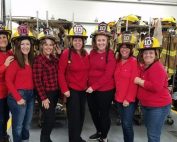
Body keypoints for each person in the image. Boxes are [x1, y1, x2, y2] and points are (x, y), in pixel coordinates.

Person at [134, 36, 172, 142]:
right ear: (142, 54)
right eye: (145, 53)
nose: (148, 55)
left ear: (156, 54)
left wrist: (140, 81)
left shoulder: (157, 67)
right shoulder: (145, 66)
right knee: (151, 132)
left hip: (158, 107)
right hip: (147, 106)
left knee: (153, 135)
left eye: (151, 52)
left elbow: (156, 87)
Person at [58, 24, 89, 142]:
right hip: (72, 91)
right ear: (71, 41)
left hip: (83, 91)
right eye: (75, 40)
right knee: (74, 119)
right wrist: (64, 89)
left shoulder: (86, 54)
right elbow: (60, 73)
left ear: (83, 41)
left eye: (80, 40)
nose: (77, 42)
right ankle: (73, 139)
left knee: (81, 117)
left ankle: (77, 137)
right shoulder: (67, 53)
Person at [86, 22, 116, 142]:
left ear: (107, 41)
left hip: (105, 90)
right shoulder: (92, 53)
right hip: (90, 89)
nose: (101, 43)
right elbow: (87, 69)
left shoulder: (110, 54)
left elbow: (108, 75)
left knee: (103, 114)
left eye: (103, 40)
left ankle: (104, 137)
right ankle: (98, 131)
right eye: (99, 40)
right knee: (93, 112)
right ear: (95, 41)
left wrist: (93, 87)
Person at [5, 24, 36, 142]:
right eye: (22, 44)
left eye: (27, 44)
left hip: (30, 96)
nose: (25, 46)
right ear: (18, 45)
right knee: (18, 126)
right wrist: (18, 98)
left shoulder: (32, 60)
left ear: (31, 46)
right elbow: (8, 80)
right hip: (17, 96)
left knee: (27, 125)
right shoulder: (15, 61)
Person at [33, 28, 59, 142]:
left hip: (54, 93)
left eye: (51, 45)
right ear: (41, 46)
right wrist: (43, 98)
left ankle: (47, 138)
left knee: (51, 118)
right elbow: (37, 81)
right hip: (45, 94)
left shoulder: (53, 58)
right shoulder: (38, 60)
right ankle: (44, 139)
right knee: (50, 119)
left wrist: (61, 53)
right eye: (46, 45)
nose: (48, 47)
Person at [114, 32, 139, 142]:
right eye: (122, 47)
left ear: (131, 49)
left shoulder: (134, 62)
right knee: (124, 124)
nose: (124, 50)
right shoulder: (118, 61)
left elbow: (134, 83)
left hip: (129, 100)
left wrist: (128, 99)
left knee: (127, 124)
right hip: (119, 98)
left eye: (127, 47)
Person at [0, 21, 14, 142]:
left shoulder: (10, 53)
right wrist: (4, 65)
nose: (2, 39)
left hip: (8, 94)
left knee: (5, 117)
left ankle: (4, 136)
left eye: (4, 37)